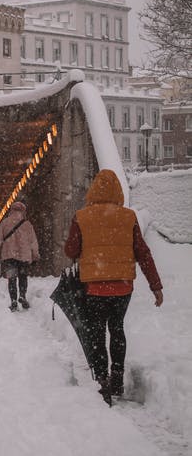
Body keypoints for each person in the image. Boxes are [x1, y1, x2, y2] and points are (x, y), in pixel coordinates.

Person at [64, 168, 163, 405]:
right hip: (122, 286)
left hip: (94, 287)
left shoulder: (82, 216)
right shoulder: (128, 217)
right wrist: (156, 286)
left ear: (93, 191)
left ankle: (102, 382)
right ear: (118, 190)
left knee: (97, 332)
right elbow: (143, 253)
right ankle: (117, 379)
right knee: (117, 329)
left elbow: (71, 251)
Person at [0, 201, 39, 311]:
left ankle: (13, 300)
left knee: (12, 279)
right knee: (23, 277)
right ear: (23, 211)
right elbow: (33, 242)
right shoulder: (27, 225)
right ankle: (22, 296)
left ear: (11, 210)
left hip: (9, 256)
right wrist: (35, 256)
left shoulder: (5, 223)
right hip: (24, 256)